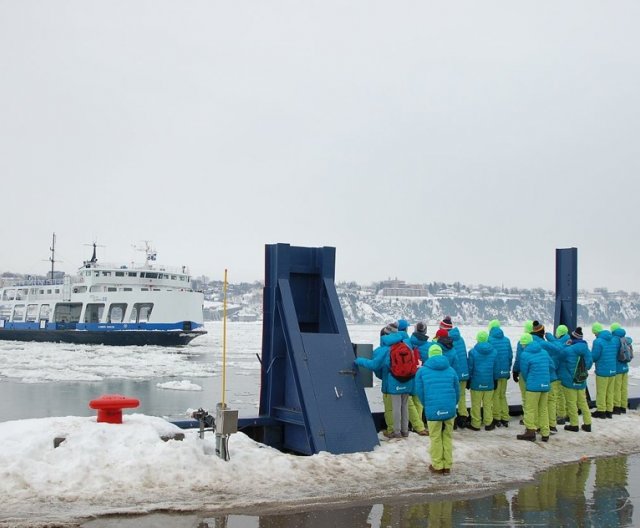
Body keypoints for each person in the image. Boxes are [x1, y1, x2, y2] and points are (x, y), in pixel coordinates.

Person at [355, 325, 414, 438]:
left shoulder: (385, 350)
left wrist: (359, 360)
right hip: (407, 381)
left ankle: (396, 432)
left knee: (395, 408)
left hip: (393, 382)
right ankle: (405, 431)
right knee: (404, 406)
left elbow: (374, 365)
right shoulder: (406, 345)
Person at [414, 344, 459, 475]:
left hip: (433, 410)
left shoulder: (422, 371)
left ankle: (437, 465)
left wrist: (427, 405)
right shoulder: (451, 370)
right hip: (449, 410)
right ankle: (447, 465)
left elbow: (420, 392)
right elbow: (457, 391)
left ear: (429, 355)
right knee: (447, 436)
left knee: (435, 437)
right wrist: (451, 405)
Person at [517, 333, 552, 442]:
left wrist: (530, 381)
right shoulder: (544, 352)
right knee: (543, 409)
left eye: (523, 344)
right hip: (545, 384)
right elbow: (550, 366)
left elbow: (524, 371)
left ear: (525, 344)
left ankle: (530, 431)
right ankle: (545, 432)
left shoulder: (525, 355)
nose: (522, 346)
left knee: (530, 409)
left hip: (533, 386)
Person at [558, 327, 593, 432]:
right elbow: (589, 364)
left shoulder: (568, 349)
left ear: (572, 337)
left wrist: (565, 344)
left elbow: (559, 355)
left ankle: (574, 424)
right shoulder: (586, 349)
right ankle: (587, 423)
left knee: (571, 403)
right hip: (581, 380)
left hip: (569, 381)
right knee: (583, 402)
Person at [531, 321, 561, 433]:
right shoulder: (544, 344)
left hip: (534, 378)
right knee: (550, 401)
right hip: (550, 376)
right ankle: (551, 425)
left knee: (536, 403)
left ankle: (538, 425)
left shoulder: (528, 343)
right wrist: (552, 338)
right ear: (542, 332)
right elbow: (559, 349)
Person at [440, 316, 470, 429]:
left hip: (453, 373)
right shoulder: (460, 339)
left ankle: (452, 419)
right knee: (461, 395)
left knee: (451, 396)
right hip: (464, 372)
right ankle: (463, 417)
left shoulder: (446, 340)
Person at [467, 330, 499, 431]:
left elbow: (470, 367)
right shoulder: (494, 352)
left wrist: (469, 379)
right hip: (489, 382)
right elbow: (496, 368)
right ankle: (488, 423)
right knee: (488, 404)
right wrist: (495, 379)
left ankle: (476, 423)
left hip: (476, 382)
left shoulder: (472, 352)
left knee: (476, 404)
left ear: (478, 339)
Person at [487, 319, 513, 427]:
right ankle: (505, 417)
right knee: (503, 395)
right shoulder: (506, 340)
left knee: (495, 395)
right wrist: (508, 369)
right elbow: (510, 356)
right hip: (505, 371)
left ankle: (497, 417)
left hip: (495, 373)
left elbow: (489, 357)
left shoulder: (489, 340)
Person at [591, 322, 618, 419]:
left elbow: (595, 356)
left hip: (602, 370)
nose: (594, 334)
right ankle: (609, 411)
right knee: (610, 392)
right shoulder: (612, 340)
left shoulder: (598, 342)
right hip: (612, 370)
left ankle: (601, 411)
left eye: (594, 333)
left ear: (596, 332)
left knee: (601, 391)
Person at [546, 324, 570, 425]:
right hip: (569, 372)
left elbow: (556, 349)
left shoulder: (558, 344)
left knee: (559, 395)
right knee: (566, 394)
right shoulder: (569, 341)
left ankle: (561, 415)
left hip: (560, 373)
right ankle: (568, 413)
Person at [610, 323, 631, 414]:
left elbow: (612, 354)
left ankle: (617, 406)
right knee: (624, 388)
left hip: (617, 368)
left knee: (617, 388)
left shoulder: (614, 340)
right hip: (625, 367)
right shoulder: (625, 339)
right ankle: (623, 406)